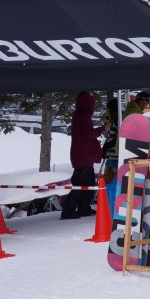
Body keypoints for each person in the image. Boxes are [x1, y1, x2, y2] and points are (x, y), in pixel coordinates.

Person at [61, 92, 109, 220]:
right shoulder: (83, 116)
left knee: (87, 184)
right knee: (80, 186)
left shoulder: (78, 115)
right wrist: (103, 128)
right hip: (83, 156)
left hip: (81, 156)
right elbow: (88, 134)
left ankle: (84, 208)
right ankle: (68, 210)